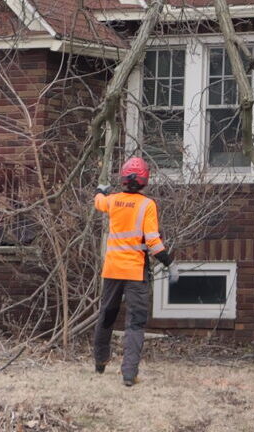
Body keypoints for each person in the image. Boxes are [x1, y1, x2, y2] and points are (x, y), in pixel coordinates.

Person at [92, 156, 171, 387]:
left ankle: (100, 361)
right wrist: (167, 260)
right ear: (145, 181)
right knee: (135, 323)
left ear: (123, 179)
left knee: (106, 315)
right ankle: (129, 374)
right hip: (135, 272)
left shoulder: (113, 201)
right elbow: (153, 241)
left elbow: (99, 202)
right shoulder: (147, 205)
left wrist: (100, 190)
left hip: (112, 269)